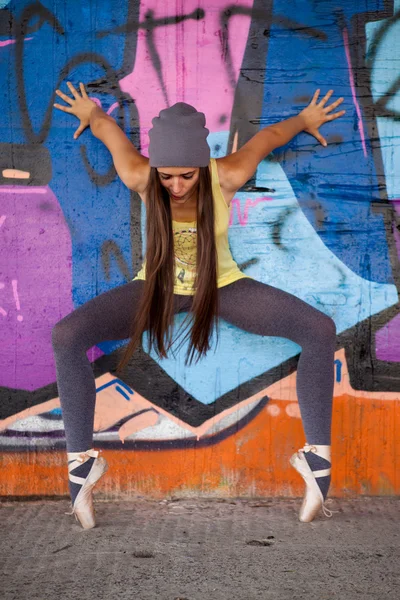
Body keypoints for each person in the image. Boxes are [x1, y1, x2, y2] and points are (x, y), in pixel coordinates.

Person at [52, 82, 345, 529]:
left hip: (223, 286)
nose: (174, 186)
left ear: (201, 166)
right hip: (156, 290)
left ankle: (317, 461)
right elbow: (106, 127)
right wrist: (89, 111)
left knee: (319, 329)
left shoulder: (224, 175)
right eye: (165, 176)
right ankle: (81, 467)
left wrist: (305, 120)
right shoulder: (140, 175)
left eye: (185, 176)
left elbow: (266, 139)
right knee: (66, 335)